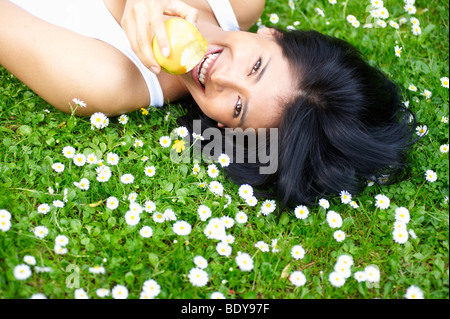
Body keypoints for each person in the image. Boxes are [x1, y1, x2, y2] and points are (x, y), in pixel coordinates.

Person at [0, 0, 418, 208]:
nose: (220, 76)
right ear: (272, 35)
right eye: (255, 66)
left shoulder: (104, 80)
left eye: (238, 108)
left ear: (227, 131)